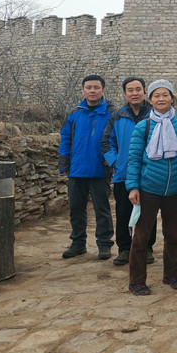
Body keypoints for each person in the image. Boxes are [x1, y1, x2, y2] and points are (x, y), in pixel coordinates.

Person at [125, 80, 177, 296]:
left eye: (165, 94)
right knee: (141, 237)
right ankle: (137, 280)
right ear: (150, 100)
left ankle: (172, 274)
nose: (161, 99)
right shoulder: (143, 127)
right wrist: (133, 186)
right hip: (148, 188)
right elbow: (134, 159)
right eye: (157, 95)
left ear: (173, 98)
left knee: (173, 234)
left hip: (176, 188)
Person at [58, 74, 115, 260]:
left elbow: (117, 139)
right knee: (76, 209)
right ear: (83, 90)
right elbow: (65, 139)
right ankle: (78, 243)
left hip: (100, 169)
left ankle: (104, 244)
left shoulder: (112, 113)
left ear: (103, 90)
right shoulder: (74, 114)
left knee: (102, 209)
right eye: (88, 87)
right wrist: (64, 163)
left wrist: (111, 158)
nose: (92, 91)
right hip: (76, 169)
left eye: (96, 87)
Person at [102, 76, 157, 266]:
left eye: (138, 89)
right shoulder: (117, 116)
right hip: (123, 174)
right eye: (130, 90)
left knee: (148, 213)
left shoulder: (154, 115)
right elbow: (106, 142)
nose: (135, 93)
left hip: (149, 174)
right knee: (123, 212)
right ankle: (124, 248)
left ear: (144, 92)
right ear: (125, 94)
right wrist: (116, 162)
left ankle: (146, 247)